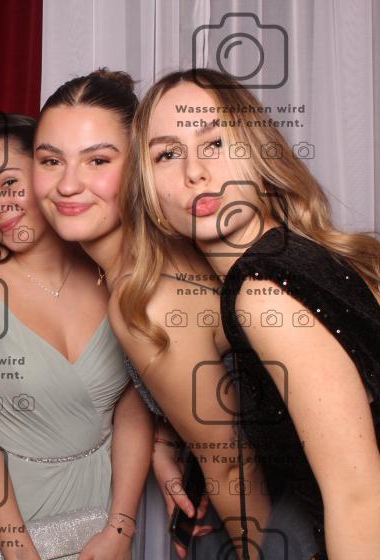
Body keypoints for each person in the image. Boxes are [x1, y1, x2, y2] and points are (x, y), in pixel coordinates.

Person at [31, 68, 308, 560]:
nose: (68, 185)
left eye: (98, 160)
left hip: (282, 519)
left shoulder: (146, 299)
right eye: (51, 161)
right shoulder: (168, 249)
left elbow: (232, 467)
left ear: (139, 168)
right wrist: (164, 438)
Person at [127, 67, 380, 558]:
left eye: (214, 142)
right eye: (168, 154)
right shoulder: (296, 255)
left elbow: (358, 497)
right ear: (151, 195)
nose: (195, 171)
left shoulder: (262, 290)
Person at [0, 112, 153, 560]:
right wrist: (19, 553)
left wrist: (121, 526)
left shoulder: (113, 274)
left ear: (48, 172)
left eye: (9, 184)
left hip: (98, 511)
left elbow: (133, 409)